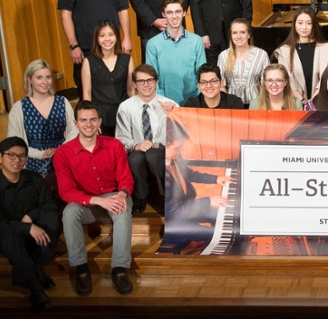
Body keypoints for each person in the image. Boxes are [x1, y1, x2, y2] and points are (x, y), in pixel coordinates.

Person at [53, 101, 135, 296]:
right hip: (86, 201)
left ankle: (119, 270)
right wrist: (97, 200)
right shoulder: (63, 153)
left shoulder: (114, 145)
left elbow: (126, 179)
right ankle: (81, 269)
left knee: (122, 210)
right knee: (69, 212)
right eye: (83, 120)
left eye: (92, 120)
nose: (88, 124)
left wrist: (122, 194)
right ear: (75, 122)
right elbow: (66, 191)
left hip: (113, 195)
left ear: (99, 121)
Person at [0, 137, 59, 310]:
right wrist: (27, 227)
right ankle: (35, 287)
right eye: (11, 155)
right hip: (8, 235)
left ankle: (38, 265)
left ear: (26, 159)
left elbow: (51, 204)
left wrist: (30, 216)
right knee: (10, 238)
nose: (17, 160)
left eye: (21, 156)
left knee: (52, 216)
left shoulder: (34, 179)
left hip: (33, 231)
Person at [163, 118, 233, 251]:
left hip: (188, 210)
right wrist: (208, 201)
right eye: (178, 147)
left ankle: (199, 242)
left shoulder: (174, 156)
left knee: (223, 212)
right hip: (175, 222)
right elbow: (176, 212)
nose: (181, 150)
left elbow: (189, 173)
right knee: (214, 233)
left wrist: (216, 178)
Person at [116, 64, 178, 214]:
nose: (146, 84)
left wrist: (171, 115)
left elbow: (178, 136)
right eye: (141, 81)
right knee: (136, 158)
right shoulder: (126, 107)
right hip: (137, 149)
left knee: (152, 155)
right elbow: (121, 138)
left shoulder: (170, 105)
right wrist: (136, 145)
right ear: (135, 84)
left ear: (156, 82)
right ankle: (141, 197)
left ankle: (166, 197)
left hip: (162, 151)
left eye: (150, 80)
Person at [8, 60, 78, 178]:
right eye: (39, 77)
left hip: (62, 155)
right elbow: (14, 142)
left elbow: (74, 129)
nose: (45, 82)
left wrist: (60, 149)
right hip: (32, 160)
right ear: (29, 79)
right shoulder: (18, 108)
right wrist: (40, 154)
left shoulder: (62, 102)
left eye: (48, 77)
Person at [146, 0, 206, 106]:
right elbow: (152, 78)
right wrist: (163, 101)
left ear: (184, 13)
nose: (174, 16)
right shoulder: (153, 44)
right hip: (164, 104)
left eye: (178, 11)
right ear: (163, 14)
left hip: (193, 104)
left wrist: (196, 101)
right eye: (169, 12)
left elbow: (202, 75)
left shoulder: (196, 41)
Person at [81, 19, 134, 137]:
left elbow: (130, 90)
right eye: (102, 35)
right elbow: (87, 94)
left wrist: (134, 115)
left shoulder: (127, 59)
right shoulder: (89, 61)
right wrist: (91, 120)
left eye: (111, 34)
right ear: (97, 38)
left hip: (123, 113)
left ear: (116, 36)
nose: (107, 39)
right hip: (101, 117)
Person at [273, 6, 328, 105]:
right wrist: (301, 100)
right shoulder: (284, 51)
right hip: (294, 102)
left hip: (320, 101)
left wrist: (313, 100)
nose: (304, 27)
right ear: (294, 24)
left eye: (309, 23)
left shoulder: (325, 49)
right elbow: (285, 79)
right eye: (300, 23)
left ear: (314, 25)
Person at [216, 18, 269, 107]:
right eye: (235, 33)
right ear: (231, 35)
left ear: (249, 34)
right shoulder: (223, 56)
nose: (238, 36)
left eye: (242, 32)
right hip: (231, 105)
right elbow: (220, 85)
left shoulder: (261, 54)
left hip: (256, 104)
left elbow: (266, 83)